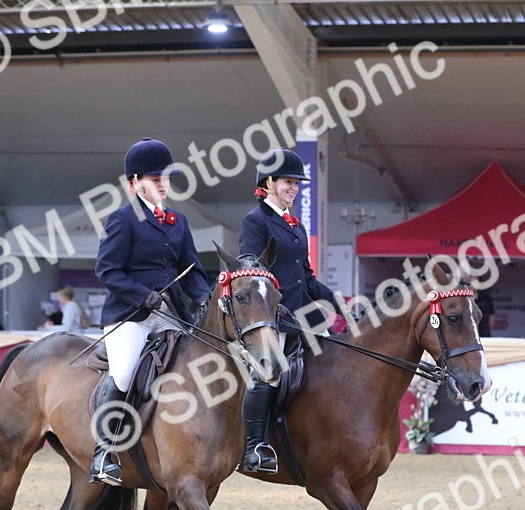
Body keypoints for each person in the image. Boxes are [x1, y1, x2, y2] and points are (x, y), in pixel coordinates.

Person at [90, 137, 213, 486]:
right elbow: (108, 271)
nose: (162, 184)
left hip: (171, 314)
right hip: (129, 316)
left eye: (165, 178)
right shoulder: (123, 220)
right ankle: (104, 452)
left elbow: (193, 272)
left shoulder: (179, 221)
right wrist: (144, 296)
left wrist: (204, 298)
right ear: (134, 183)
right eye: (153, 178)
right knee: (126, 372)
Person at [238, 147, 344, 473]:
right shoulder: (256, 221)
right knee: (268, 370)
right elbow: (251, 272)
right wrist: (274, 313)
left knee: (335, 359)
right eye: (287, 182)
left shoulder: (295, 227)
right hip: (271, 317)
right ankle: (254, 445)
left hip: (302, 314)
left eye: (297, 183)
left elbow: (307, 278)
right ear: (268, 183)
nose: (294, 188)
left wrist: (341, 305)